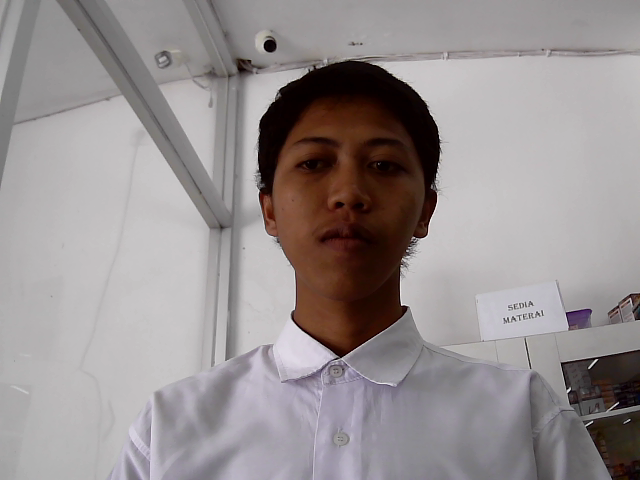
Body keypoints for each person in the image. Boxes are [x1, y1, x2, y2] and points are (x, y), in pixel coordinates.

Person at [108, 60, 610, 479]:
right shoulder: (169, 429)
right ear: (270, 210)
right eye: (313, 163)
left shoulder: (523, 415)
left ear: (424, 211)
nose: (348, 193)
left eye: (384, 165)